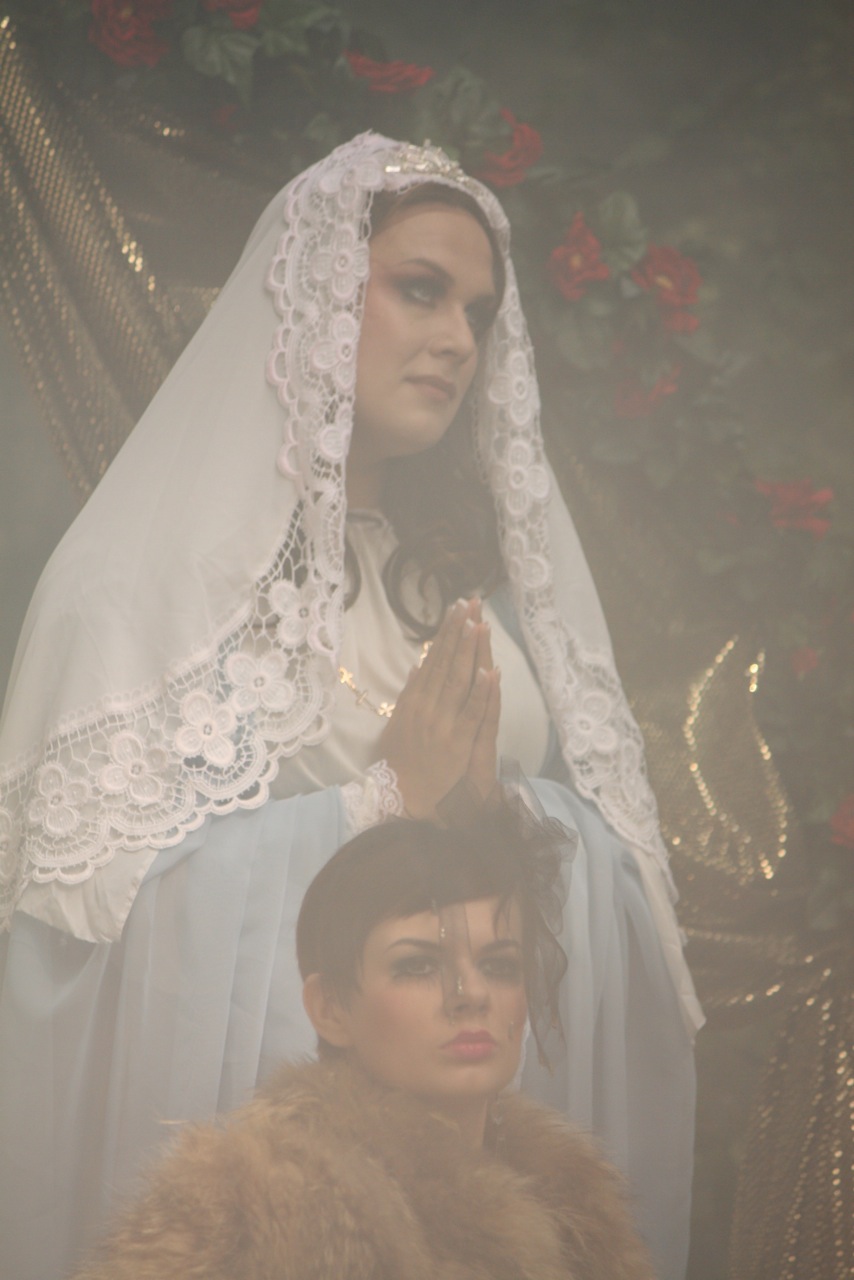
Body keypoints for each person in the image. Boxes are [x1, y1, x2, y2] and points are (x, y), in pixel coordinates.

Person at [0, 133, 702, 1280]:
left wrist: (504, 818)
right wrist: (382, 805)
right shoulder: (136, 589)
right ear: (315, 300)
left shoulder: (457, 586)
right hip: (267, 1193)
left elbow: (606, 876)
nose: (458, 338)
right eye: (419, 289)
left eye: (477, 311)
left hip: (476, 1151)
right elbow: (74, 965)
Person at [72, 809, 655, 1280]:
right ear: (330, 1009)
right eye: (418, 965)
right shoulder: (247, 1207)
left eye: (500, 965)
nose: (472, 995)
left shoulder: (577, 1200)